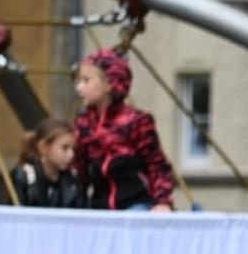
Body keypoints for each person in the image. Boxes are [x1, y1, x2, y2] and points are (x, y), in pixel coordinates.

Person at [73, 49, 175, 212]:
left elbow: (157, 165)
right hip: (101, 207)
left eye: (86, 80)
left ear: (109, 84)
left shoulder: (137, 122)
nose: (79, 88)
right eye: (80, 80)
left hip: (136, 205)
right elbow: (80, 170)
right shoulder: (83, 124)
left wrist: (163, 202)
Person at [11, 117, 83, 208]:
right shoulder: (25, 176)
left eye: (73, 149)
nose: (71, 154)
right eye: (64, 148)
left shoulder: (73, 179)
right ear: (43, 147)